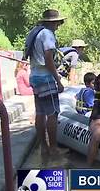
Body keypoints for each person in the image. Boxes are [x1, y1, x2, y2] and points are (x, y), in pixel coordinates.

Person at [25, 9, 68, 156]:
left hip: (35, 77)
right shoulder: (48, 35)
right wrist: (58, 80)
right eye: (58, 23)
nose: (59, 26)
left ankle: (43, 146)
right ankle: (54, 148)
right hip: (46, 79)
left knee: (40, 112)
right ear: (53, 22)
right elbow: (49, 59)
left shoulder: (36, 32)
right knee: (53, 113)